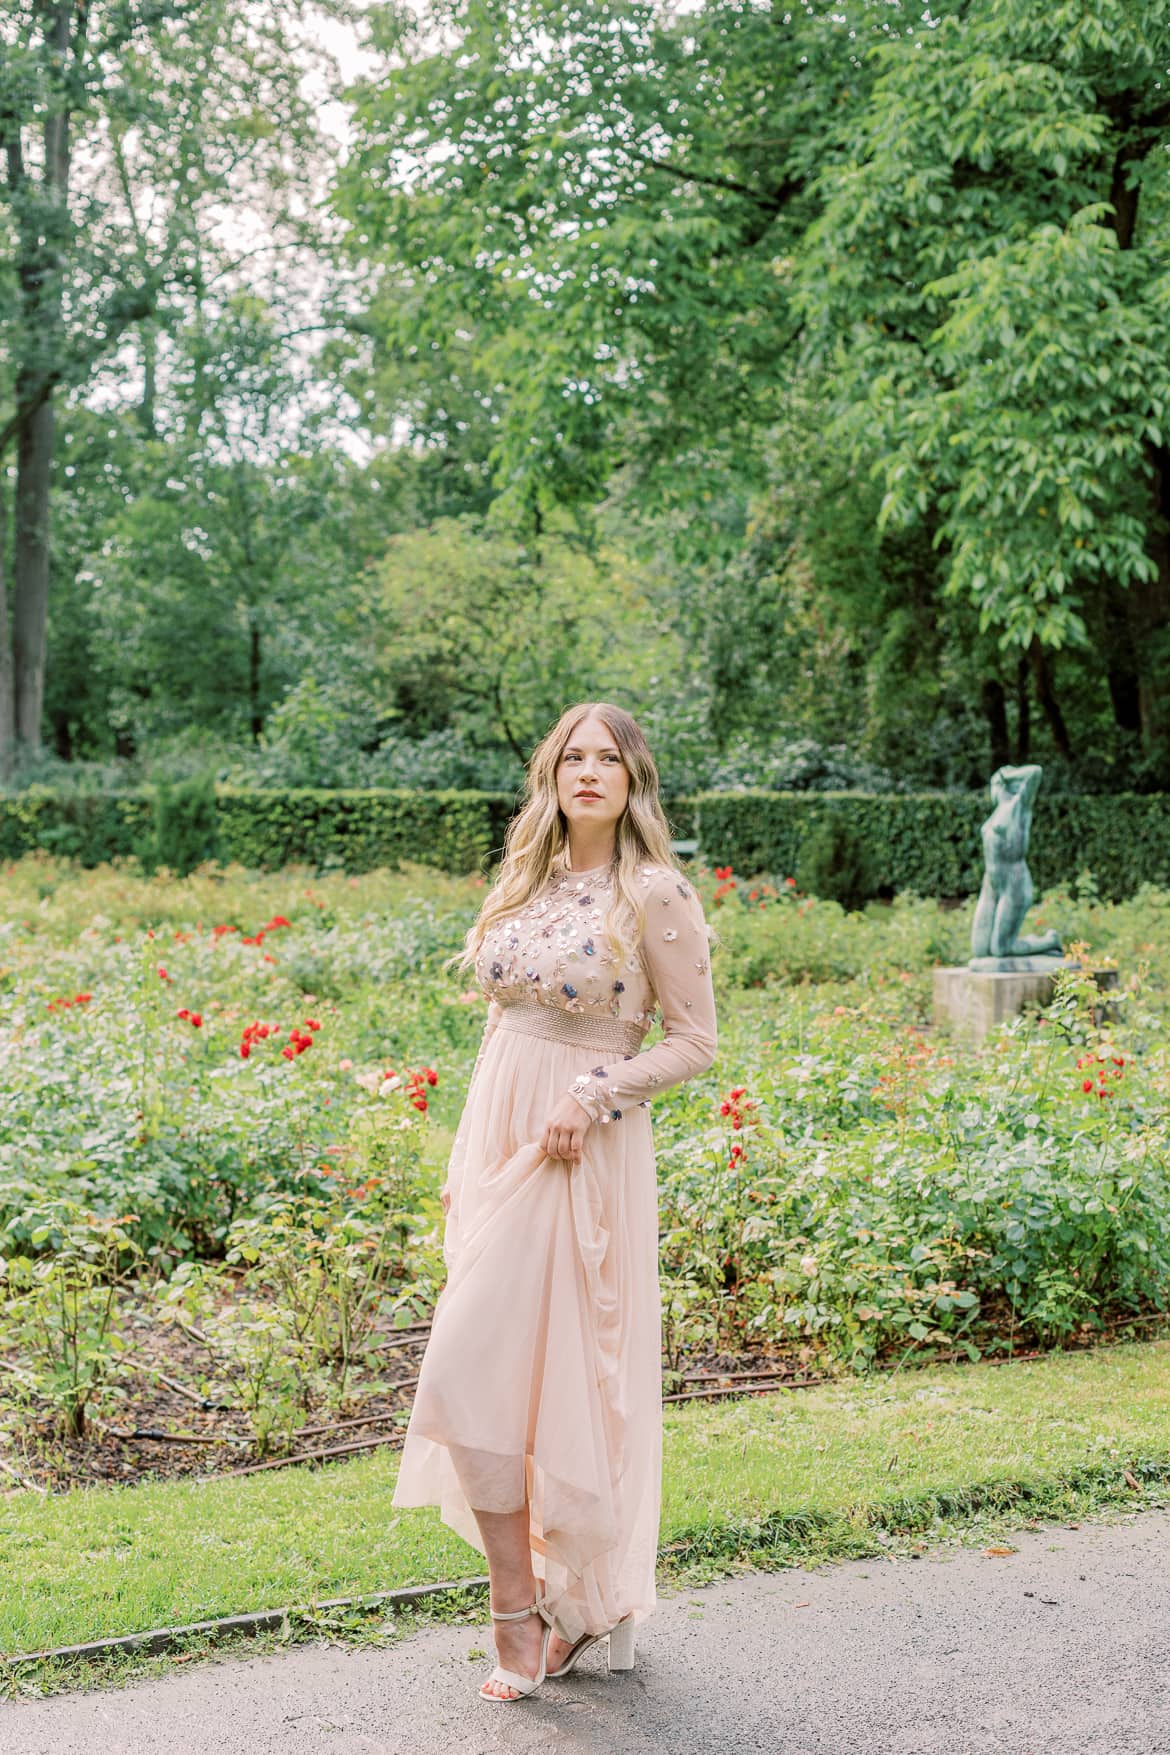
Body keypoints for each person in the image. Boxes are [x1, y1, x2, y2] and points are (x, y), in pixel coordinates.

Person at [391, 700, 719, 1702]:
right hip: (500, 1142)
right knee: (477, 1378)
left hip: (579, 1156)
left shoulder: (653, 893)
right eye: (572, 757)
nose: (587, 773)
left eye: (606, 759)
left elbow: (695, 1042)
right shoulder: (524, 882)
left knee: (509, 1379)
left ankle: (545, 1612)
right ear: (552, 775)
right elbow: (501, 1031)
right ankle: (520, 1606)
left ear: (633, 782)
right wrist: (466, 1150)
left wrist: (593, 1093)